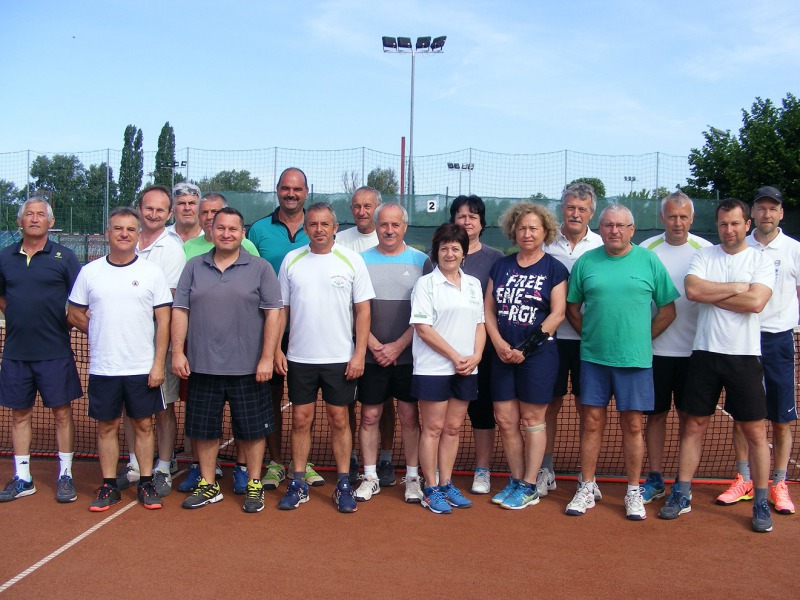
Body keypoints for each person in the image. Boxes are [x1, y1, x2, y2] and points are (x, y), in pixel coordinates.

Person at [659, 198, 775, 533]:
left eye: (735, 224)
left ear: (747, 224)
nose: (729, 230)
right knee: (693, 426)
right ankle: (681, 493)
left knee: (754, 431)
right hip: (705, 353)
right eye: (723, 224)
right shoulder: (704, 254)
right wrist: (739, 288)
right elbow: (693, 291)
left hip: (745, 356)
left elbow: (756, 302)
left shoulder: (760, 260)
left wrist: (719, 293)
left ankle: (761, 500)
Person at [565, 205, 678, 520]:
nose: (614, 230)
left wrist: (642, 338)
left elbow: (668, 310)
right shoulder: (587, 262)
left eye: (621, 225)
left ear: (632, 230)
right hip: (593, 360)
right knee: (590, 423)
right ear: (600, 229)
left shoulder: (649, 261)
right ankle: (586, 487)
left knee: (632, 425)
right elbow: (572, 309)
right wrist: (589, 337)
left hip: (635, 361)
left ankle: (632, 491)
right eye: (608, 225)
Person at [172, 207, 282, 513]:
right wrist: (178, 352)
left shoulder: (261, 268)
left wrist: (266, 357)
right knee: (204, 430)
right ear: (211, 231)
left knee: (253, 429)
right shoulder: (194, 266)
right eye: (221, 228)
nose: (226, 234)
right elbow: (180, 310)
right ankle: (209, 484)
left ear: (242, 232)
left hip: (248, 368)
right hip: (202, 365)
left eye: (233, 229)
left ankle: (254, 483)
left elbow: (274, 314)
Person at [67, 207, 172, 512]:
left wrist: (157, 364)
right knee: (107, 427)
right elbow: (74, 312)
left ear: (138, 235)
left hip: (142, 367)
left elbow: (163, 321)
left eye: (130, 229)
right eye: (118, 229)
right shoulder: (90, 272)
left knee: (143, 425)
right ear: (108, 234)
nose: (124, 234)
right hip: (105, 368)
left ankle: (147, 482)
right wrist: (99, 329)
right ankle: (109, 485)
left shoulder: (151, 273)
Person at [276, 202, 374, 512]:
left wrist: (359, 353)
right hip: (300, 358)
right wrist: (276, 349)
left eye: (325, 224)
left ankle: (344, 482)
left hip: (339, 358)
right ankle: (298, 481)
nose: (319, 229)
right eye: (313, 224)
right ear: (305, 228)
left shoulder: (352, 260)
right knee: (300, 420)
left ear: (334, 228)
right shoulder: (292, 260)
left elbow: (363, 310)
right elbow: (282, 310)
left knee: (339, 419)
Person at [484, 202, 568, 509]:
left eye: (533, 228)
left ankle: (531, 485)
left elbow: (557, 314)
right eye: (521, 228)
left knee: (533, 420)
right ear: (513, 231)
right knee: (506, 420)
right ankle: (516, 481)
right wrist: (499, 344)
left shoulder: (555, 269)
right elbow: (488, 310)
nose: (527, 233)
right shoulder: (501, 266)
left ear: (545, 231)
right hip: (503, 354)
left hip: (538, 356)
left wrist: (525, 348)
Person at [0, 197, 82, 504]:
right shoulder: (5, 257)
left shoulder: (65, 256)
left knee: (62, 413)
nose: (34, 219)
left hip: (55, 352)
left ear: (50, 221)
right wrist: (20, 318)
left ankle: (66, 475)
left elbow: (79, 302)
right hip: (16, 353)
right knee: (19, 415)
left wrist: (61, 325)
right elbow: (2, 297)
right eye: (29, 215)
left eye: (40, 215)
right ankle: (23, 478)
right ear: (20, 221)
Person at [352, 202, 432, 504]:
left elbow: (426, 312)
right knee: (370, 415)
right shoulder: (358, 261)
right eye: (383, 224)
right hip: (372, 356)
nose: (389, 230)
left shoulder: (422, 261)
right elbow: (353, 310)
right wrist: (373, 345)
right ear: (376, 225)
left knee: (410, 415)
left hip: (409, 356)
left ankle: (413, 476)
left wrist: (399, 346)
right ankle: (370, 476)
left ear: (405, 227)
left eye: (395, 225)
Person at [247, 167, 319, 489]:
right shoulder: (259, 230)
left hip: (311, 329)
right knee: (271, 396)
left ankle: (305, 461)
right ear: (277, 190)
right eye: (285, 188)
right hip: (269, 326)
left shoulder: (319, 228)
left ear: (306, 192)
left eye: (297, 189)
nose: (291, 193)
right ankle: (276, 462)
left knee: (308, 399)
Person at [638, 192, 711, 503]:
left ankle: (683, 484)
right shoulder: (646, 249)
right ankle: (654, 477)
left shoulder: (706, 251)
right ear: (662, 218)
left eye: (683, 217)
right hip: (654, 352)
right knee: (654, 416)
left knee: (689, 419)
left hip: (696, 353)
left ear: (691, 219)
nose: (677, 222)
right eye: (671, 216)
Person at [115, 185, 186, 498]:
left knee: (163, 407)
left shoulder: (172, 248)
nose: (154, 214)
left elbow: (169, 302)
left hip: (160, 342)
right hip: (125, 344)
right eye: (149, 208)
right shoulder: (127, 240)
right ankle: (134, 464)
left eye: (160, 210)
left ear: (168, 214)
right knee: (132, 409)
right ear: (139, 208)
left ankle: (164, 465)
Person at [410, 223, 486, 514]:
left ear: (464, 253)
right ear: (436, 252)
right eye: (444, 248)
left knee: (453, 428)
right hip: (433, 369)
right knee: (433, 428)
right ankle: (430, 487)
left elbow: (480, 323)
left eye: (455, 248)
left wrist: (476, 355)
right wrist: (456, 356)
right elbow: (423, 329)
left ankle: (446, 483)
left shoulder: (473, 285)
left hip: (466, 368)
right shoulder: (425, 284)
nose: (449, 253)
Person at [737, 186, 800, 515]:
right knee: (743, 414)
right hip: (743, 340)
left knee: (780, 417)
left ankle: (778, 482)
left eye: (772, 209)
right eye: (760, 209)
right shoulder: (741, 248)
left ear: (781, 214)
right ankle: (744, 479)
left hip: (778, 340)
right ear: (752, 215)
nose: (766, 214)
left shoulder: (793, 249)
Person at [541, 183, 603, 499]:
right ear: (561, 209)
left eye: (582, 209)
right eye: (570, 207)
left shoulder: (603, 245)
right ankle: (546, 470)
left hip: (587, 342)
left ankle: (586, 476)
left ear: (591, 213)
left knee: (587, 408)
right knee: (548, 405)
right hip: (550, 340)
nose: (575, 213)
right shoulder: (546, 242)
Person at [336, 186, 398, 487]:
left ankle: (384, 457)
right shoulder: (341, 241)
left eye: (368, 206)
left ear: (379, 208)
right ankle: (348, 457)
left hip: (383, 344)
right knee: (347, 401)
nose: (363, 211)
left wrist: (376, 344)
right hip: (344, 337)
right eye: (357, 206)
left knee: (383, 403)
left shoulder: (389, 235)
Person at [449, 195, 504, 494]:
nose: (467, 221)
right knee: (445, 414)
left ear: (481, 223)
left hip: (482, 351)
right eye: (461, 216)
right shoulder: (438, 255)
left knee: (482, 412)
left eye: (473, 216)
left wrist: (481, 351)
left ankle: (482, 469)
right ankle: (440, 468)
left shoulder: (496, 258)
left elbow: (491, 307)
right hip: (444, 352)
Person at [183, 193, 260, 259]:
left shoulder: (247, 246)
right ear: (199, 217)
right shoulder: (188, 247)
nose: (209, 217)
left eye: (214, 211)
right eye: (204, 212)